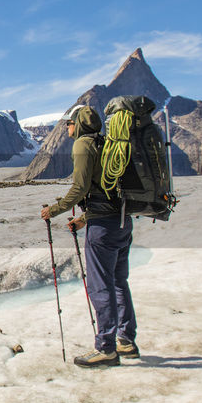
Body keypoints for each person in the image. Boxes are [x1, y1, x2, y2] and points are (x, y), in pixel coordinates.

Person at [40, 104, 139, 367]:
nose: (67, 129)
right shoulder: (107, 144)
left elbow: (81, 187)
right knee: (119, 282)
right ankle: (126, 341)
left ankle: (106, 348)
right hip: (121, 221)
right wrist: (84, 219)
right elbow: (106, 190)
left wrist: (55, 210)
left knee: (100, 285)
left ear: (79, 123)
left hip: (103, 229)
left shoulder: (83, 145)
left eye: (69, 124)